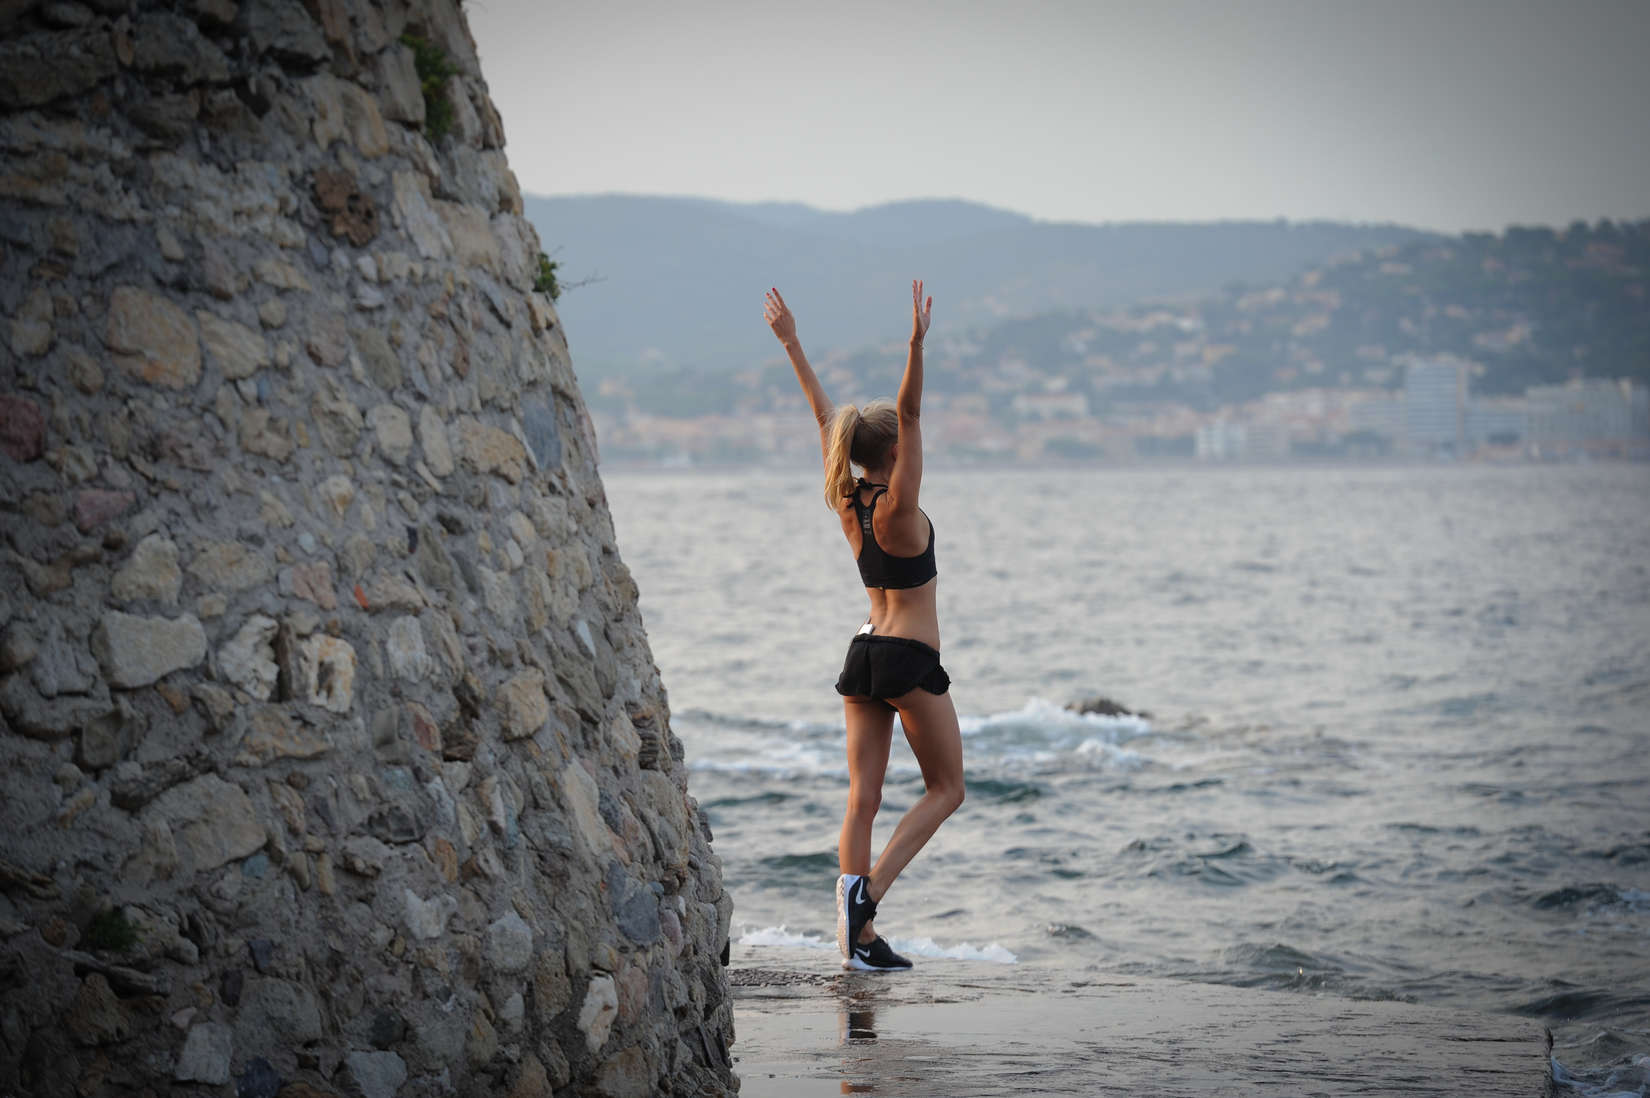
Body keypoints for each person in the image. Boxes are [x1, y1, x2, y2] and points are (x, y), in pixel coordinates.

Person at [763, 280, 966, 972]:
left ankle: (858, 948)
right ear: (893, 457)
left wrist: (792, 341)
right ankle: (868, 899)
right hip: (908, 658)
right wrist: (914, 345)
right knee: (948, 789)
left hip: (862, 653)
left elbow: (824, 418)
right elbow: (909, 413)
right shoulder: (900, 510)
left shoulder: (848, 499)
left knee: (863, 800)